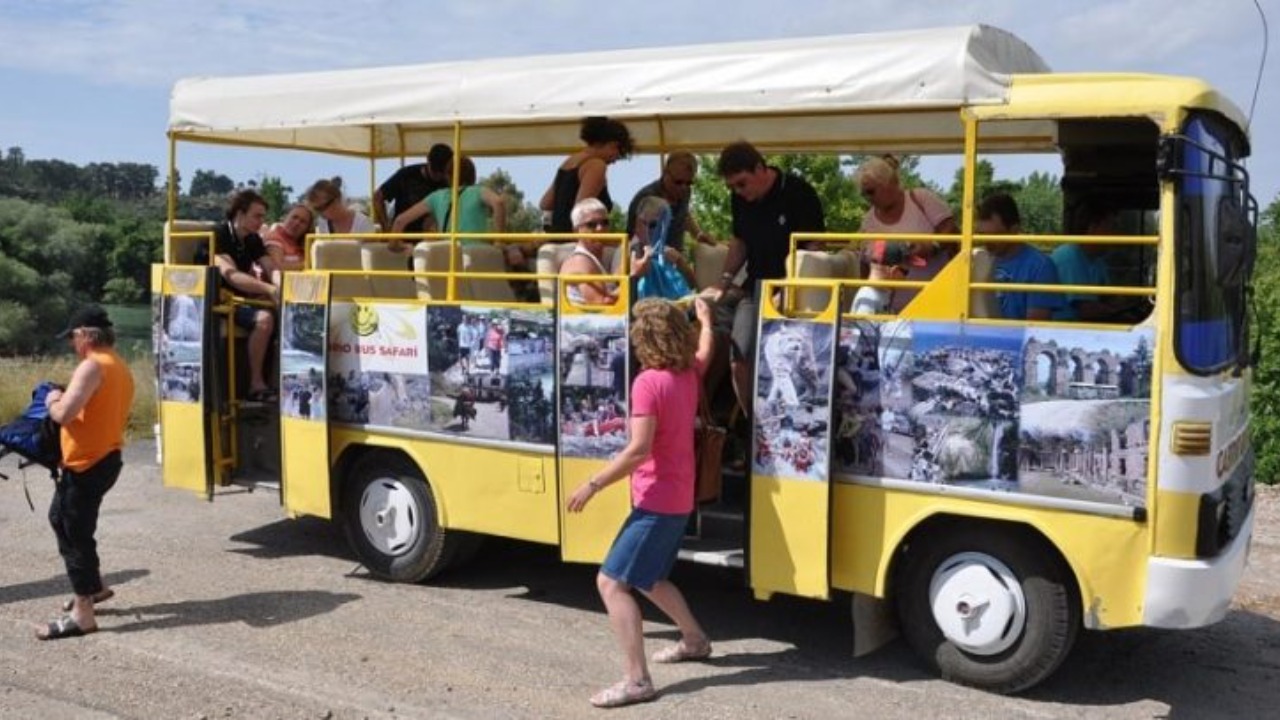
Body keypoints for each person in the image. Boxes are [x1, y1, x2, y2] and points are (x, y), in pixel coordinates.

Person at [566, 297, 716, 709]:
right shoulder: (689, 373)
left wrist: (593, 484)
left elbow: (638, 450)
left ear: (643, 339)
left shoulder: (649, 383)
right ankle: (695, 640)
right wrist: (705, 321)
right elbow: (705, 350)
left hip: (656, 499)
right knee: (649, 578)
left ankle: (637, 681)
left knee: (611, 583)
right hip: (679, 497)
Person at [36, 305, 135, 640]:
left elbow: (64, 414)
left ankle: (83, 615)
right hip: (104, 458)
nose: (71, 344)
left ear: (85, 335)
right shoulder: (117, 364)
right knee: (61, 518)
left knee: (74, 531)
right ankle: (94, 588)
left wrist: (51, 399)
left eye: (73, 337)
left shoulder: (92, 366)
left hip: (88, 463)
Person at [706, 141, 825, 417]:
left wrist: (791, 288)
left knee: (793, 367)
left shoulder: (799, 192)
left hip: (795, 296)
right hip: (756, 289)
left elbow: (815, 247)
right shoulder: (739, 199)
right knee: (738, 357)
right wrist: (723, 282)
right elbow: (739, 243)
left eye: (742, 183)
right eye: (732, 187)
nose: (738, 192)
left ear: (760, 168)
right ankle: (751, 426)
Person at [856, 155, 958, 312]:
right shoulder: (868, 221)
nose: (867, 198)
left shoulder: (921, 198)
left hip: (937, 303)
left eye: (870, 192)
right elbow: (864, 263)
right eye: (863, 194)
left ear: (889, 183)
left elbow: (951, 230)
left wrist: (932, 246)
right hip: (891, 312)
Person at [208, 189, 280, 402]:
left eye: (263, 217)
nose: (261, 221)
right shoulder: (218, 236)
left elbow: (270, 267)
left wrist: (281, 286)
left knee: (285, 312)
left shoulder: (252, 239)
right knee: (264, 319)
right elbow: (231, 276)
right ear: (240, 213)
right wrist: (269, 290)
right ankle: (255, 385)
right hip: (217, 301)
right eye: (257, 216)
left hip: (242, 299)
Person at [976, 193, 1063, 320]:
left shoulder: (1040, 266)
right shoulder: (976, 260)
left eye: (994, 235)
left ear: (1014, 230)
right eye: (982, 235)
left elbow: (1035, 326)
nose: (986, 242)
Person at [540, 116, 634, 233]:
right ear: (613, 145)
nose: (614, 161)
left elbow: (545, 204)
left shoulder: (569, 162)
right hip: (577, 239)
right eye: (618, 154)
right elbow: (582, 212)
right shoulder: (597, 165)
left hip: (556, 237)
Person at [1051, 201, 1129, 322]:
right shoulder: (1069, 257)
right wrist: (1119, 313)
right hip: (1065, 330)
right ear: (1093, 227)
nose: (1116, 234)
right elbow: (1085, 309)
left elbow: (1108, 296)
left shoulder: (1097, 260)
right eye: (1111, 227)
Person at [625, 151, 717, 247]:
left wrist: (698, 234)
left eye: (689, 183)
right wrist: (665, 252)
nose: (683, 188)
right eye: (678, 182)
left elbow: (684, 214)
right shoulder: (647, 198)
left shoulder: (686, 192)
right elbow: (640, 239)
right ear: (665, 173)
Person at [373, 143, 453, 233]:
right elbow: (377, 197)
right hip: (403, 237)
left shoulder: (450, 181)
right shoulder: (406, 175)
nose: (438, 176)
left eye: (442, 172)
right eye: (435, 170)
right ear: (428, 161)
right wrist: (386, 228)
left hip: (435, 238)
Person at [629, 196, 696, 300]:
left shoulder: (666, 253)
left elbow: (692, 285)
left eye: (664, 225)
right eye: (654, 225)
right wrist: (635, 275)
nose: (660, 231)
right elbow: (614, 295)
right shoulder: (628, 253)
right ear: (637, 224)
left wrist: (680, 261)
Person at [561, 198, 620, 305]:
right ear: (576, 231)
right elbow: (601, 304)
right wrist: (633, 278)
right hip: (585, 315)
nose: (600, 228)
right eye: (591, 224)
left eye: (605, 223)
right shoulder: (580, 261)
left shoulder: (595, 258)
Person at [850, 240, 911, 315]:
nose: (906, 278)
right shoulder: (868, 297)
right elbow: (863, 323)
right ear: (894, 271)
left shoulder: (885, 292)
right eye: (906, 272)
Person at [306, 177, 379, 236]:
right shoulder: (323, 223)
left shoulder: (363, 223)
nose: (322, 213)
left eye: (324, 206)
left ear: (337, 199)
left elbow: (372, 249)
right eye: (317, 209)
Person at [262, 203, 315, 273]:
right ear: (285, 217)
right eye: (294, 217)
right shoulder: (274, 237)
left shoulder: (305, 244)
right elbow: (277, 268)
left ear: (307, 228)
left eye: (303, 222)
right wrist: (309, 264)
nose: (297, 223)